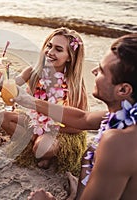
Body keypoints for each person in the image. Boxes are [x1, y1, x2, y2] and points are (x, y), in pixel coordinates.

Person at [15, 33, 137, 199]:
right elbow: (83, 119)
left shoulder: (118, 142)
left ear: (123, 90)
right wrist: (30, 102)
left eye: (101, 70)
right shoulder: (125, 118)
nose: (94, 71)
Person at [0, 27, 88, 175]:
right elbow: (10, 87)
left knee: (41, 148)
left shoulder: (74, 84)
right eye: (49, 46)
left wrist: (50, 129)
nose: (50, 52)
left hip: (60, 129)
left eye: (58, 49)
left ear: (70, 57)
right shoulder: (32, 72)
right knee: (3, 117)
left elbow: (80, 126)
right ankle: (35, 142)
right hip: (35, 123)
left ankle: (40, 147)